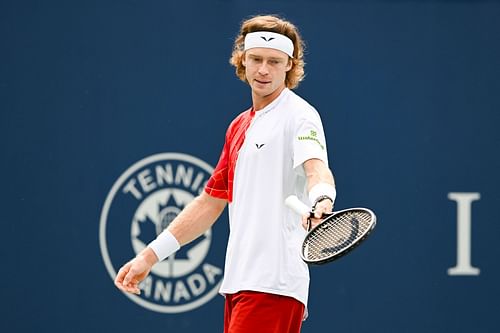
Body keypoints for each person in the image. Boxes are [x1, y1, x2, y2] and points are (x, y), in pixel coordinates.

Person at [114, 14, 336, 333]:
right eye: (256, 59)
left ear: (289, 64)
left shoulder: (301, 116)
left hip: (273, 283)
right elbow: (210, 203)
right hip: (239, 283)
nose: (263, 70)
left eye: (274, 62)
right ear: (242, 60)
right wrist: (149, 256)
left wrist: (322, 199)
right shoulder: (238, 127)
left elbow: (316, 170)